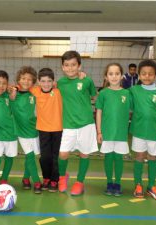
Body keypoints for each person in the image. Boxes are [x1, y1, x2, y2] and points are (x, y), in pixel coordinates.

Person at [57, 50, 98, 196]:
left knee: (84, 154)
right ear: (62, 67)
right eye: (66, 65)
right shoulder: (60, 83)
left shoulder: (87, 81)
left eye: (73, 65)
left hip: (86, 124)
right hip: (68, 124)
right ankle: (62, 177)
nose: (70, 68)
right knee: (63, 153)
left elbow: (95, 97)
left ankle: (80, 182)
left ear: (79, 66)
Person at [130, 59, 156, 201]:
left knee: (152, 158)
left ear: (155, 75)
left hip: (154, 133)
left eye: (150, 74)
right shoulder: (133, 90)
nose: (147, 76)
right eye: (144, 73)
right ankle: (138, 185)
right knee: (139, 157)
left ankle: (151, 185)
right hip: (139, 131)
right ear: (139, 75)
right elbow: (118, 92)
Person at [95, 63, 131, 196]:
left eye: (117, 73)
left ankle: (118, 183)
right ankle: (109, 183)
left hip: (121, 133)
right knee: (108, 157)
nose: (114, 76)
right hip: (107, 132)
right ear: (106, 76)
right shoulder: (103, 93)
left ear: (121, 76)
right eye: (111, 74)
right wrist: (99, 131)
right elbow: (98, 112)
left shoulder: (127, 93)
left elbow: (137, 107)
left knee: (119, 158)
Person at [29, 68, 63, 193]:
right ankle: (46, 178)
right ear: (38, 81)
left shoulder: (58, 91)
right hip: (42, 129)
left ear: (53, 82)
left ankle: (55, 179)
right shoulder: (35, 91)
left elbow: (70, 82)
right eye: (43, 81)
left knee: (55, 156)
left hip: (57, 129)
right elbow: (20, 86)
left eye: (49, 81)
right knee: (44, 157)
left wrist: (81, 75)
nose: (46, 84)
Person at [10, 66, 42, 194]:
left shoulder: (34, 93)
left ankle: (25, 178)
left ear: (33, 82)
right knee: (29, 155)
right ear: (18, 79)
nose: (26, 81)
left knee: (33, 155)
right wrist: (15, 89)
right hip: (21, 130)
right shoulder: (13, 93)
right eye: (23, 78)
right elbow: (7, 93)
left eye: (29, 79)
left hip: (35, 129)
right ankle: (37, 181)